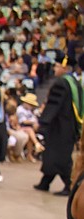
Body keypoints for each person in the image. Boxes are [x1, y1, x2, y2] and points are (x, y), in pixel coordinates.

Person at [34, 54, 83, 196]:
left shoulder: (62, 83)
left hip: (60, 128)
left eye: (56, 65)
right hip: (68, 126)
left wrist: (43, 122)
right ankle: (45, 182)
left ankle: (69, 184)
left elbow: (53, 105)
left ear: (64, 67)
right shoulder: (74, 82)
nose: (54, 68)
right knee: (52, 155)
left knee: (60, 157)